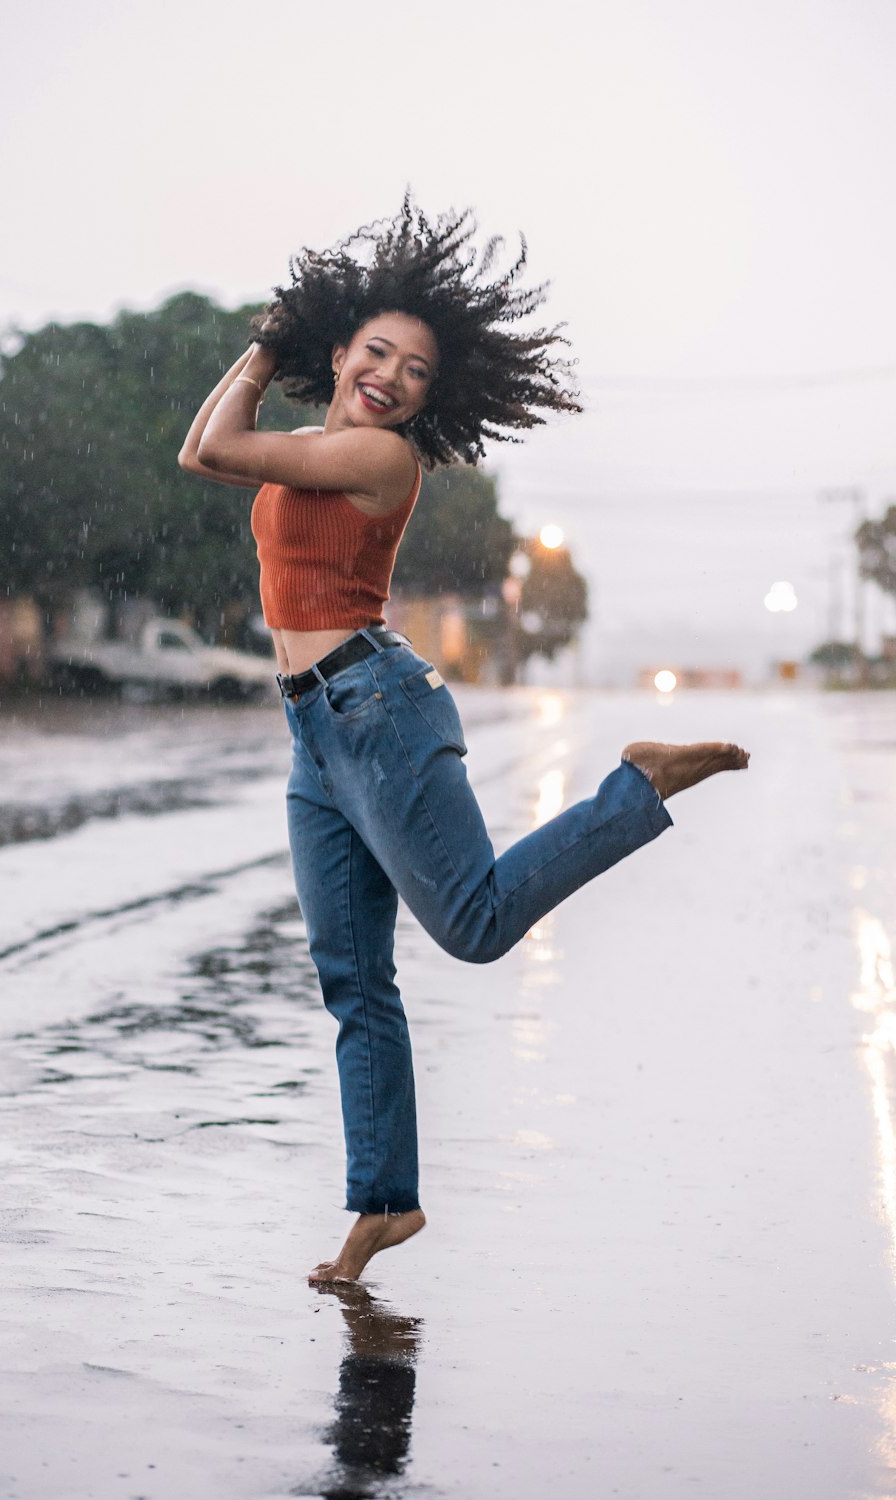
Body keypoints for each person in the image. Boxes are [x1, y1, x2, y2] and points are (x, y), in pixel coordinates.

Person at [179, 200, 749, 1284]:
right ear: (339, 351)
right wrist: (271, 344)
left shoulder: (379, 461)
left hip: (377, 710)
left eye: (416, 372)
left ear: (427, 402)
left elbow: (213, 443)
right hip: (316, 729)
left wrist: (262, 342)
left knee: (475, 924)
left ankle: (635, 787)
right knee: (353, 977)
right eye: (375, 352)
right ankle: (382, 1207)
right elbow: (198, 454)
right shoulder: (308, 446)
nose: (391, 377)